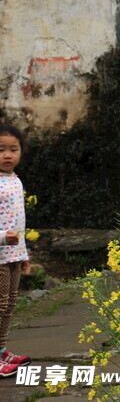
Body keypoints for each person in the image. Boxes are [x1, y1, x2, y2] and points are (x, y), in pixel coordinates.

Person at [0, 124, 30, 377]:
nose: (7, 155)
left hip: (13, 255)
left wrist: (23, 254)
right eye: (0, 150)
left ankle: (2, 350)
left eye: (13, 149)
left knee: (9, 304)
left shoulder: (15, 181)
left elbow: (19, 222)